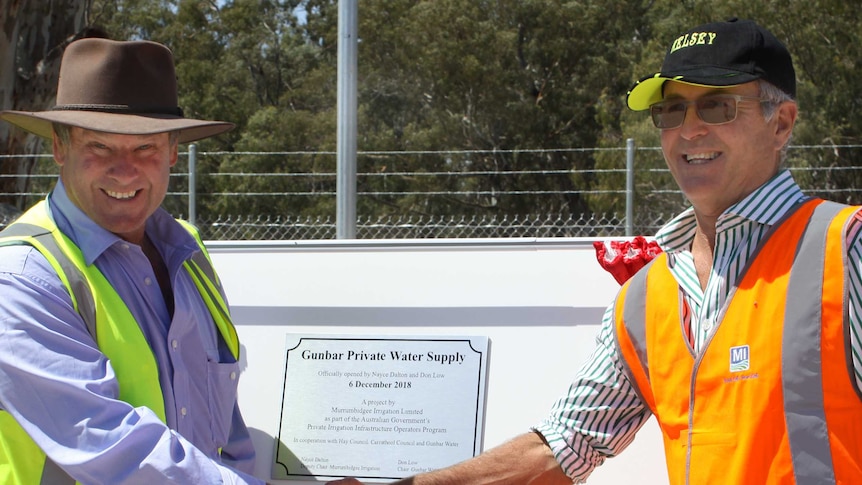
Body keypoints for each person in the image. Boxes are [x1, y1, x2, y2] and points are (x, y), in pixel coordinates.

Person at [329, 18, 862, 485]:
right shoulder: (647, 295)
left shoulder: (847, 248)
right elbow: (564, 447)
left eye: (717, 105)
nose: (688, 129)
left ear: (782, 123)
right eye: (671, 111)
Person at [0, 38, 267, 483]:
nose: (124, 172)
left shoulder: (189, 253)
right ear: (59, 148)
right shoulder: (23, 280)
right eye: (99, 147)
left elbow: (225, 432)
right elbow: (112, 449)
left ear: (173, 152)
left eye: (145, 148)